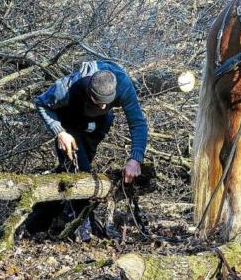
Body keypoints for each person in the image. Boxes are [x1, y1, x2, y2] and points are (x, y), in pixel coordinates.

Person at [23, 60, 149, 240]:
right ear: (90, 92)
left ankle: (47, 218)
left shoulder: (123, 85)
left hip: (98, 124)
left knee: (76, 173)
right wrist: (60, 132)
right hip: (69, 124)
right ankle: (78, 228)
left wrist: (135, 159)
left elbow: (137, 123)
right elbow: (41, 103)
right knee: (81, 173)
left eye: (107, 102)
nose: (104, 106)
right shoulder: (65, 88)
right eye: (99, 102)